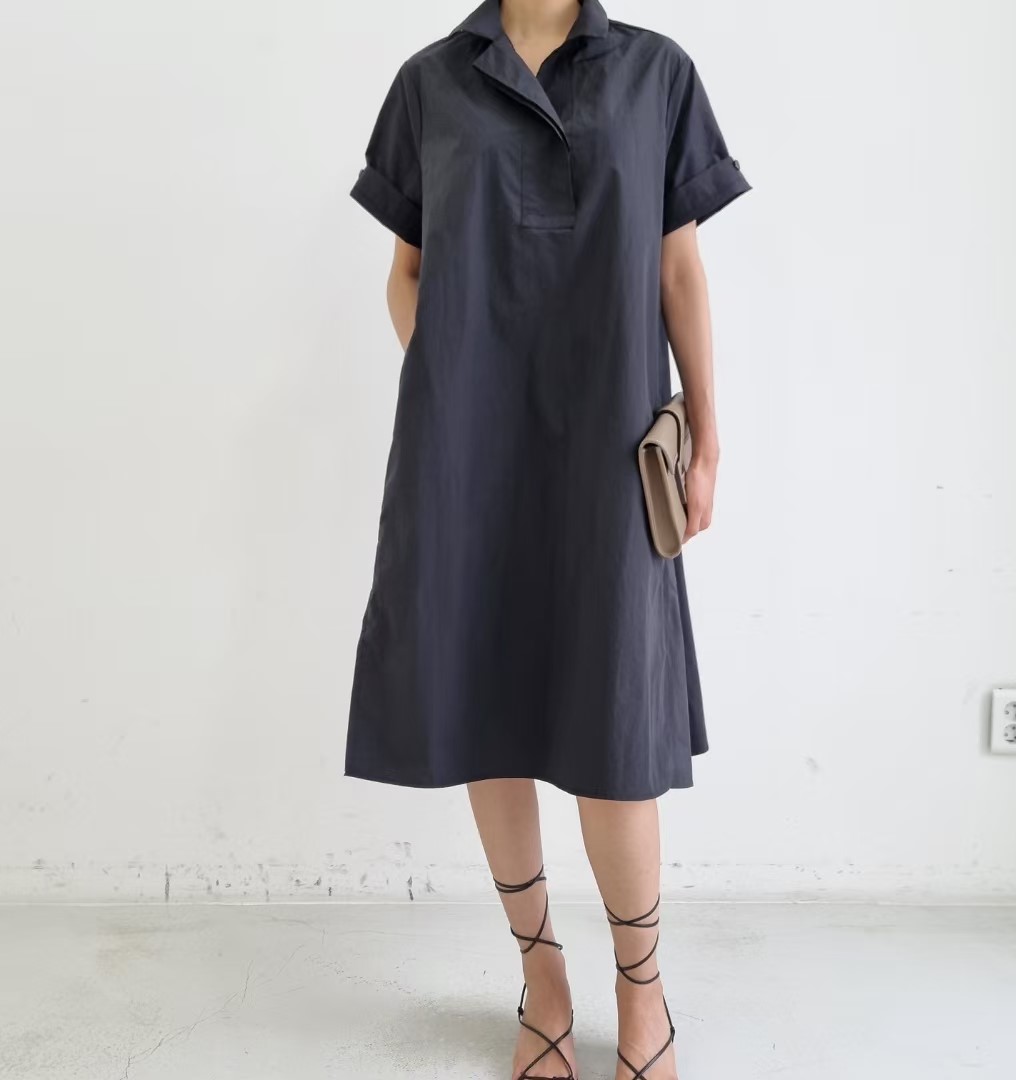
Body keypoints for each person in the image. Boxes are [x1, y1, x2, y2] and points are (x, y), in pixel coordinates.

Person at [343, 0, 751, 1075]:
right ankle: (543, 976)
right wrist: (456, 382)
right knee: (489, 706)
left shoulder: (657, 74)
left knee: (618, 722)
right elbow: (408, 270)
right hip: (465, 453)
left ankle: (642, 990)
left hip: (611, 439)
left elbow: (677, 270)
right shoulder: (431, 81)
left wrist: (708, 436)